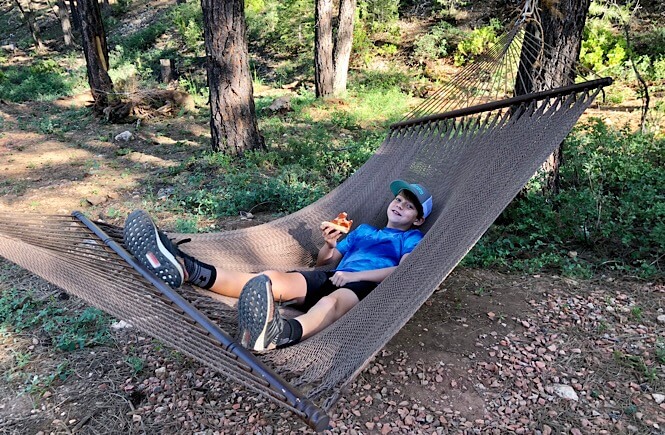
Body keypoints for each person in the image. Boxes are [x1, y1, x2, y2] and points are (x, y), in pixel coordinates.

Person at [123, 180, 433, 352]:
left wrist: (358, 276)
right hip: (332, 275)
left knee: (332, 303)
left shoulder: (411, 238)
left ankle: (281, 333)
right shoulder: (364, 230)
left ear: (417, 219)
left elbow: (402, 270)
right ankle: (188, 269)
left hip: (365, 286)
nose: (399, 206)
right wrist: (330, 243)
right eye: (399, 200)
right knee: (270, 279)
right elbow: (326, 262)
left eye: (408, 206)